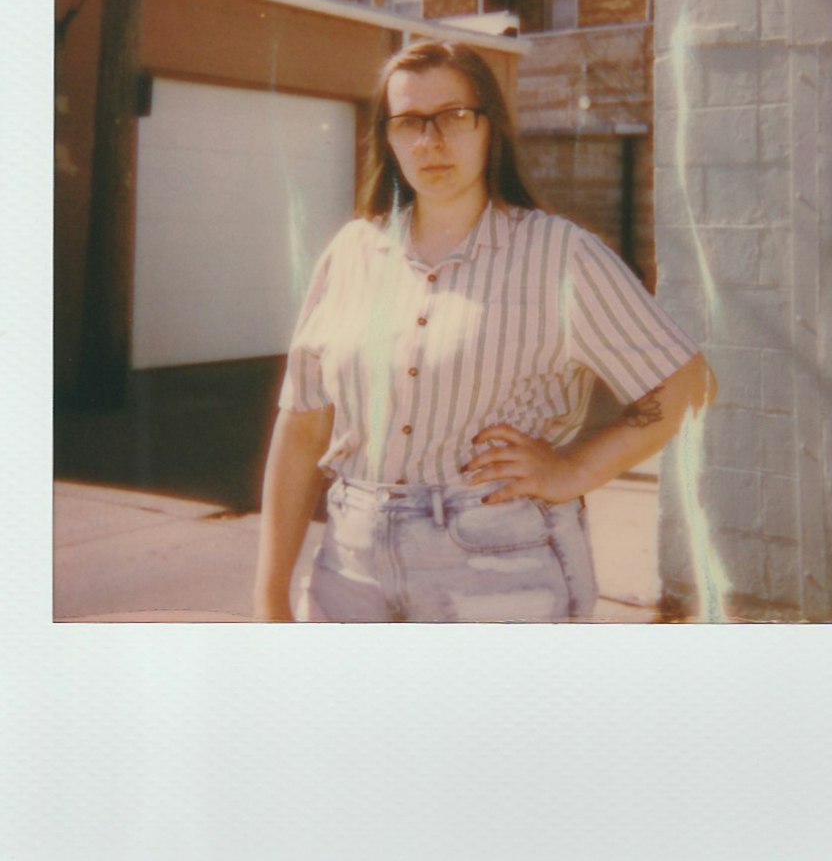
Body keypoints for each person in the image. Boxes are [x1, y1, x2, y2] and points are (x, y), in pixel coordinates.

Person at [253, 40, 715, 623]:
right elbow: (300, 430)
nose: (431, 141)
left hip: (499, 564)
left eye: (454, 116)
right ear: (388, 138)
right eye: (409, 123)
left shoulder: (558, 255)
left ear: (490, 127)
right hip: (348, 567)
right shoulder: (351, 253)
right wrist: (269, 596)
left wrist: (576, 469)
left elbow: (686, 384)